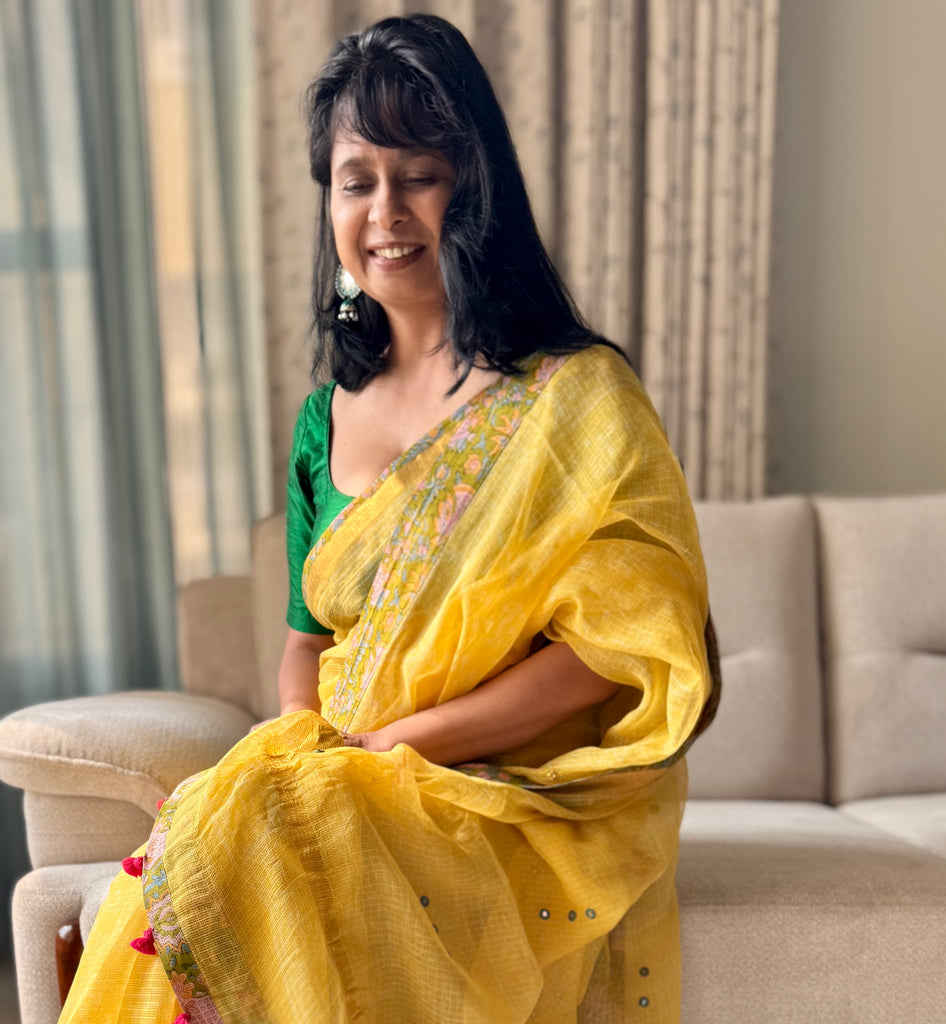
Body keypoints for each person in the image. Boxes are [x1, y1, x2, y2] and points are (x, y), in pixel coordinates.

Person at [60, 14, 718, 1024]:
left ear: (474, 191)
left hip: (507, 787)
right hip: (352, 764)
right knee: (214, 833)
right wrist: (311, 745)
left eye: (419, 175)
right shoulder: (323, 421)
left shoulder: (574, 398)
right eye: (354, 180)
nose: (385, 212)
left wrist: (397, 747)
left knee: (254, 832)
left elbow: (614, 651)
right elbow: (304, 642)